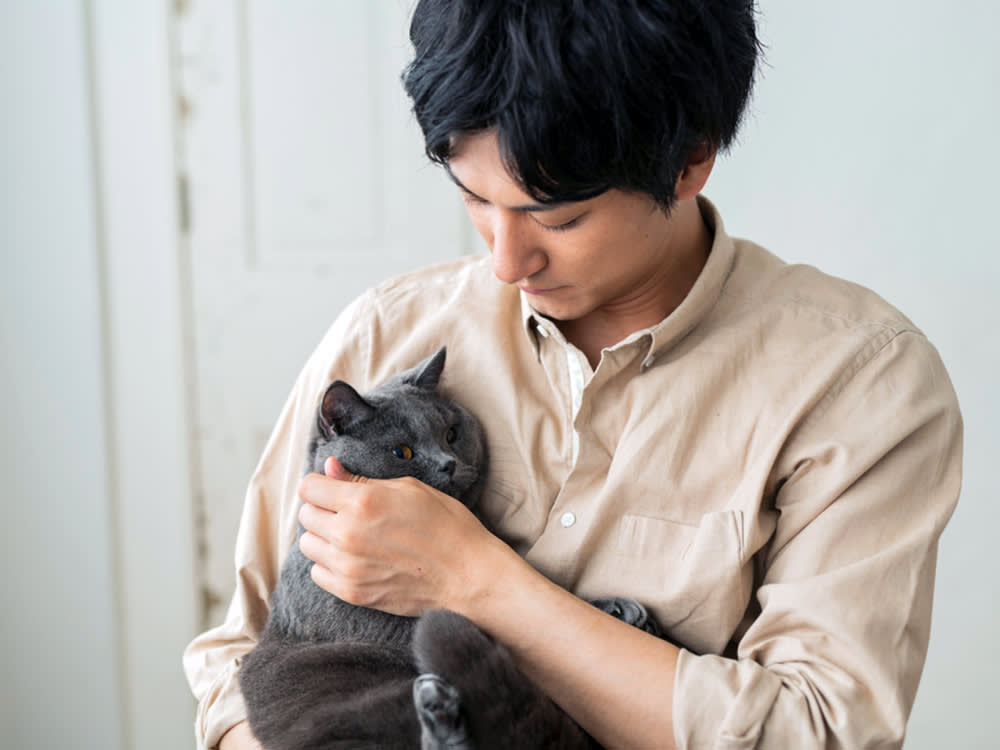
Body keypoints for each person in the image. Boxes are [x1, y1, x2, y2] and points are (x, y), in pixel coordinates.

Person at [183, 1, 962, 748]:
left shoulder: (858, 383)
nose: (504, 260)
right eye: (475, 198)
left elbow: (817, 734)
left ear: (691, 159)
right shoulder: (389, 331)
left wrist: (475, 580)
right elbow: (236, 658)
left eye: (557, 218)